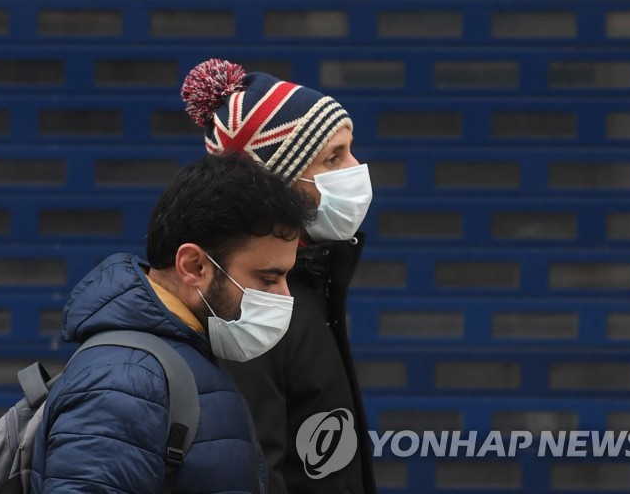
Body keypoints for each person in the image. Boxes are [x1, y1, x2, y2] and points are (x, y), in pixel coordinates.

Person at [30, 153, 313, 494]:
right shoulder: (125, 381)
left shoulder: (179, 359)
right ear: (193, 266)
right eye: (268, 279)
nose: (284, 296)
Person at [181, 59, 377, 493]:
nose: (356, 167)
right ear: (278, 184)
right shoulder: (255, 304)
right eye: (334, 157)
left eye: (350, 149)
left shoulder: (304, 283)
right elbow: (254, 472)